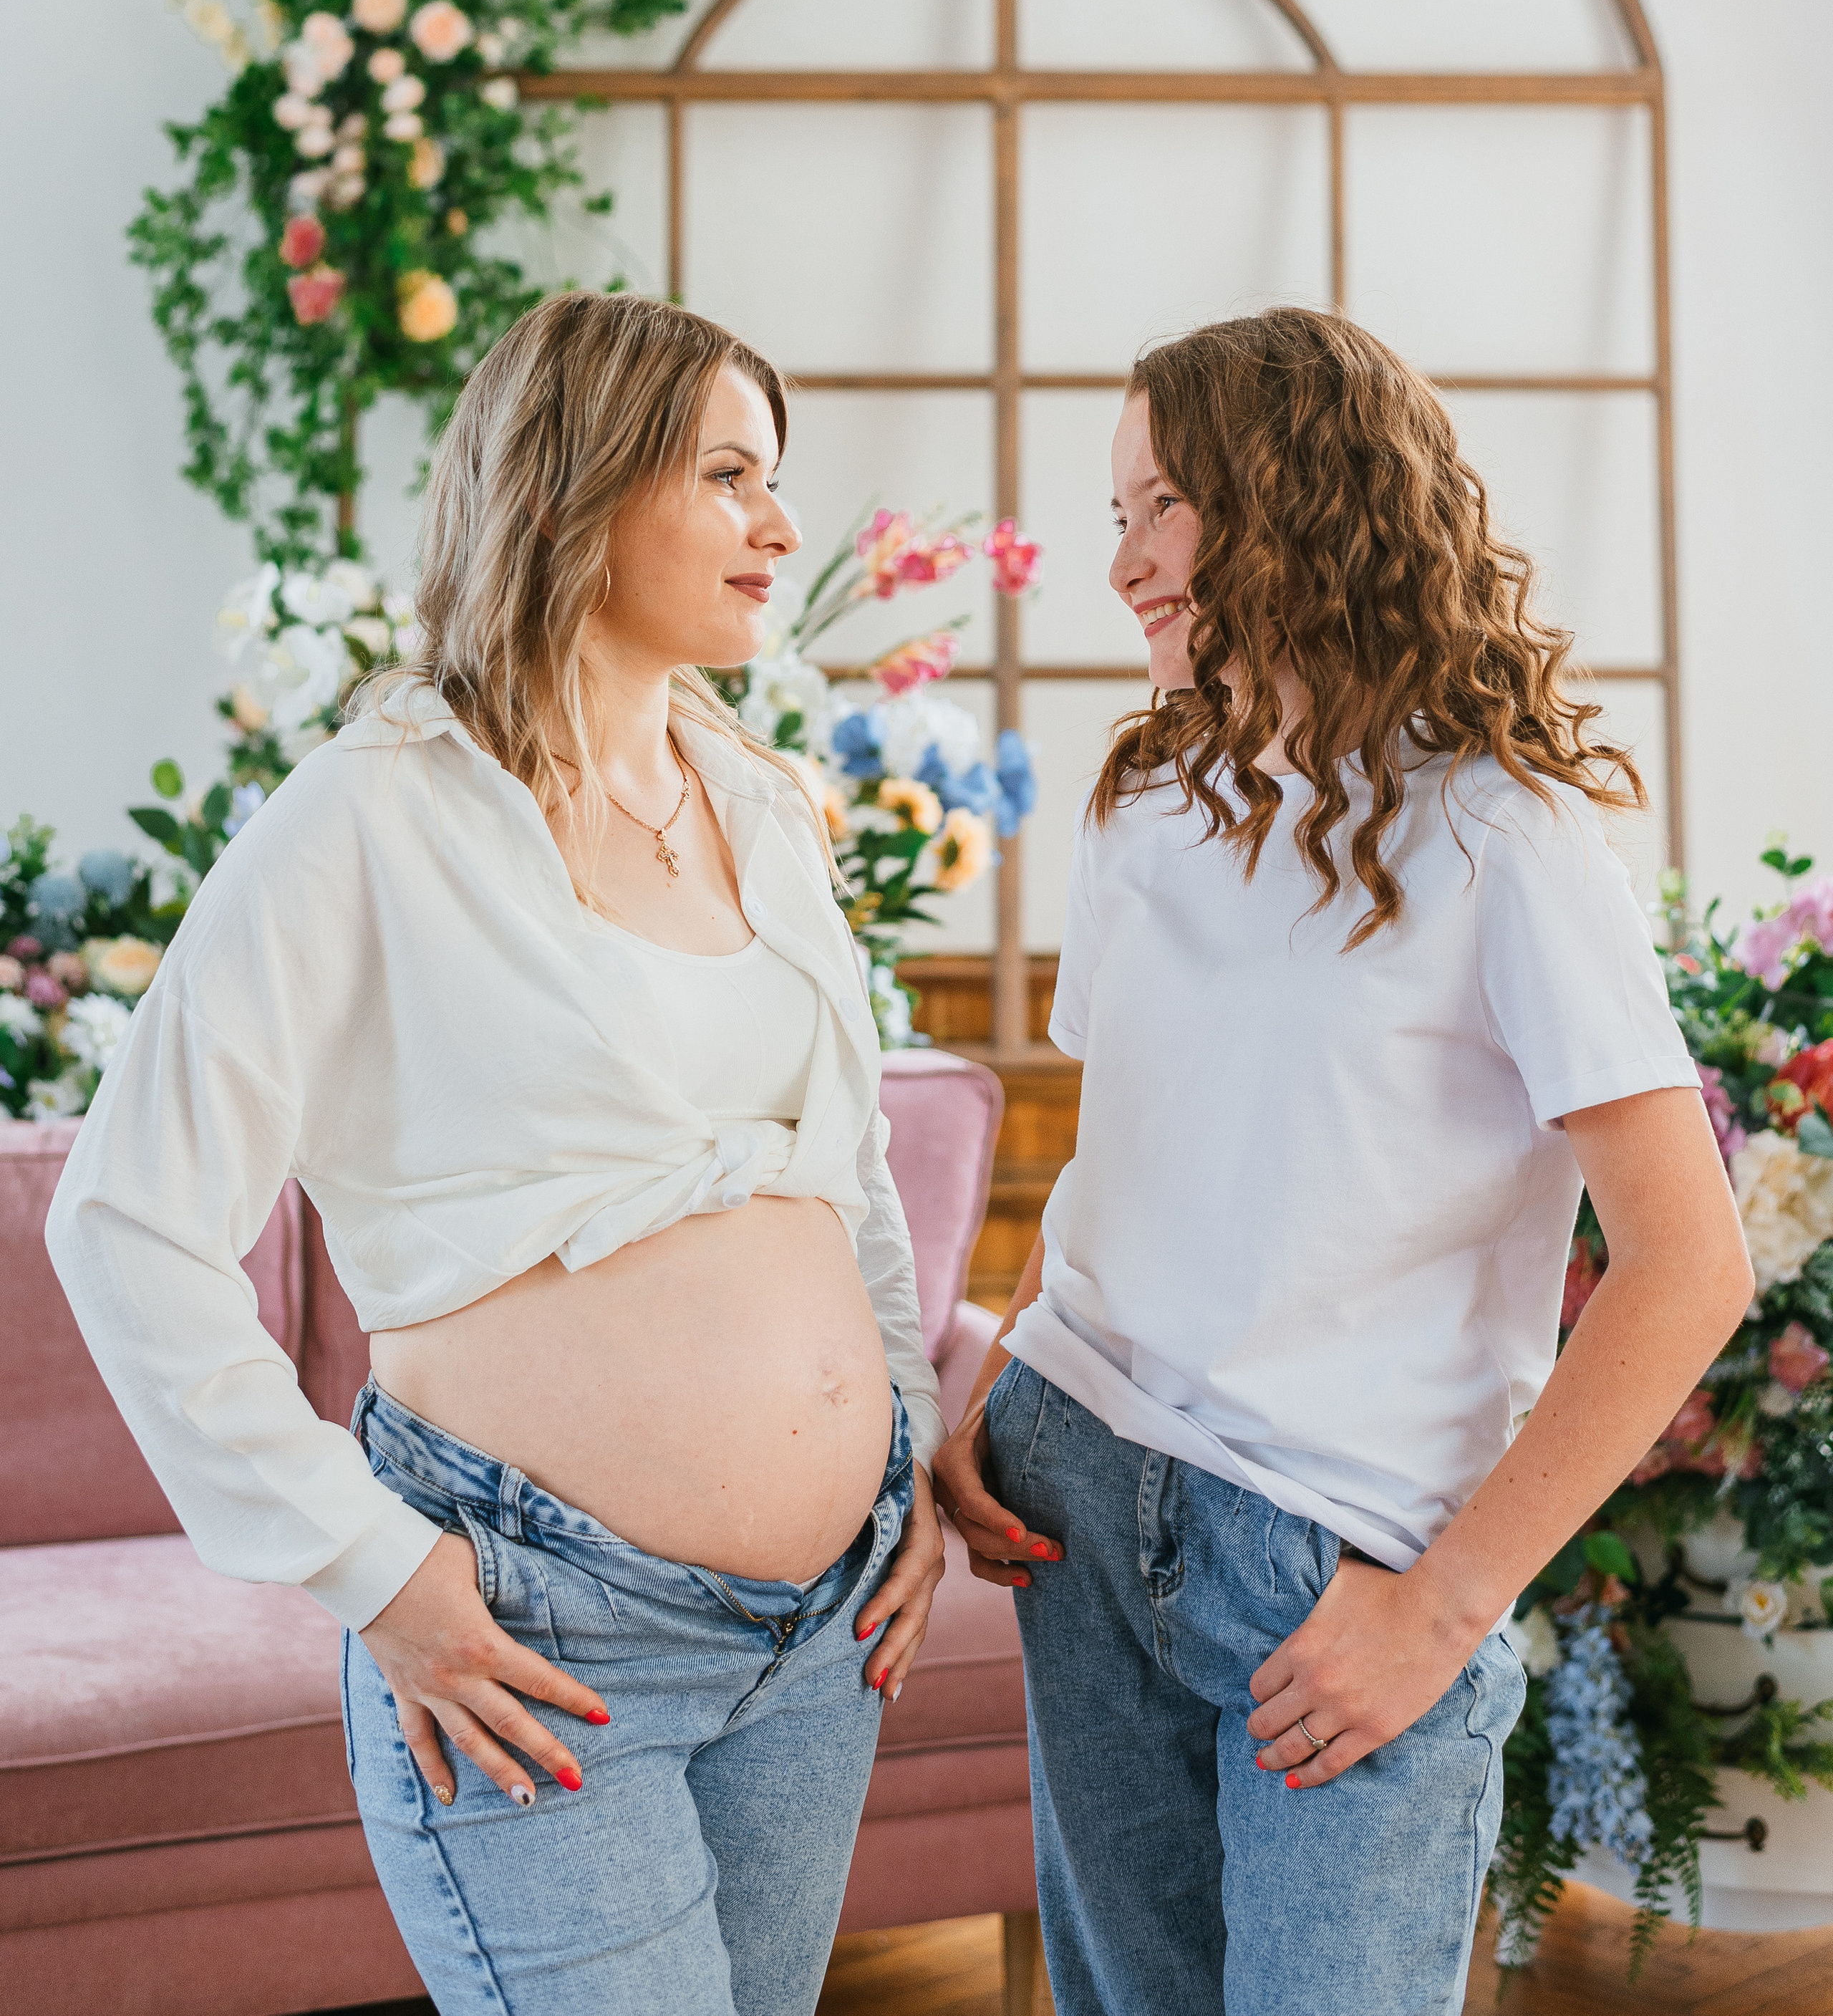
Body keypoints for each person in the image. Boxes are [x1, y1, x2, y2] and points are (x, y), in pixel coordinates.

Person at [48, 291, 947, 2016]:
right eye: (727, 476)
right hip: (543, 1635)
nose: (780, 527)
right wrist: (374, 1570)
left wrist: (898, 1442)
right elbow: (130, 1221)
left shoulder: (755, 806)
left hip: (819, 1642)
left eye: (780, 478)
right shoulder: (370, 813)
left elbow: (843, 1187)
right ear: (569, 491)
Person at [933, 307, 1751, 2016]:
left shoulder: (1502, 833)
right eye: (1115, 518)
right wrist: (1002, 1370)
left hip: (1332, 1565)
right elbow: (1132, 1144)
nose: (1127, 565)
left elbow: (1689, 1265)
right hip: (1073, 1492)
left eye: (1161, 507)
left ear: (1300, 501)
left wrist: (1444, 1606)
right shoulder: (1140, 799)